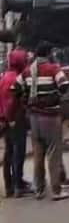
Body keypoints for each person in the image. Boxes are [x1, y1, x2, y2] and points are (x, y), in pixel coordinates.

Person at [16, 41, 69, 201]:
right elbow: (65, 85)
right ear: (48, 54)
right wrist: (54, 96)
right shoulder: (53, 69)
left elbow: (15, 88)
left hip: (34, 118)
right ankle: (56, 190)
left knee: (38, 155)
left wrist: (26, 100)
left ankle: (39, 189)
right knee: (54, 154)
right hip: (50, 117)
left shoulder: (27, 71)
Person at [1, 49, 29, 197]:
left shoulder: (4, 77)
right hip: (16, 119)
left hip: (5, 119)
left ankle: (9, 186)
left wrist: (3, 118)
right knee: (19, 152)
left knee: (8, 152)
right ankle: (18, 185)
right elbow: (14, 101)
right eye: (25, 60)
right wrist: (11, 117)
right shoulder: (17, 79)